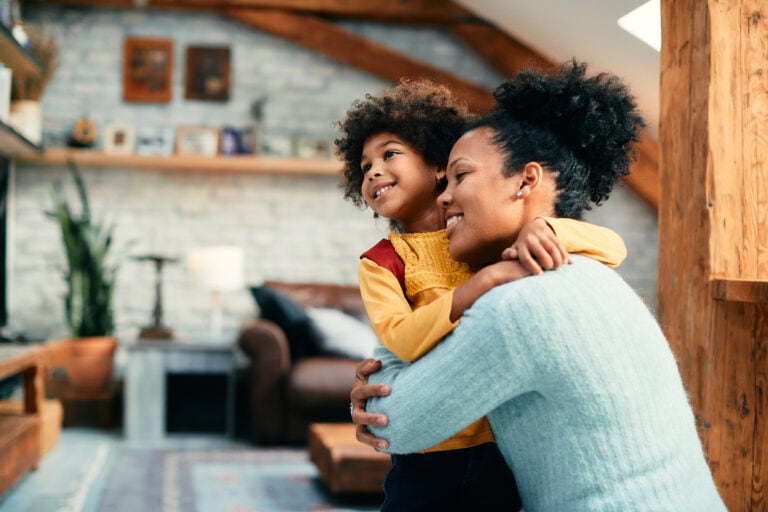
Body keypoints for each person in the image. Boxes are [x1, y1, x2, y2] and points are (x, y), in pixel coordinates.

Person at [350, 61, 727, 511]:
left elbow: (394, 422)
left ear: (527, 180)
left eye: (461, 176)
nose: (445, 196)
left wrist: (383, 380)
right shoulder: (585, 273)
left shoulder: (520, 304)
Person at [335, 78, 628, 511]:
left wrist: (545, 228)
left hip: (501, 449)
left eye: (389, 154)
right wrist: (483, 282)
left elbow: (613, 247)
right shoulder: (381, 260)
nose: (374, 171)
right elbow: (401, 338)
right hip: (428, 457)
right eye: (364, 167)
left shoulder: (485, 237)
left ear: (438, 165)